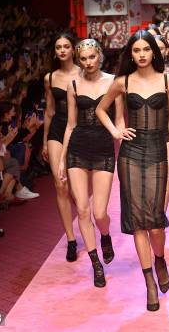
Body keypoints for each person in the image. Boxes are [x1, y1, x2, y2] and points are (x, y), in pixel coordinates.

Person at [96, 30, 169, 312]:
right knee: (137, 221)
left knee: (155, 221)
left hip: (158, 151)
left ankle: (160, 259)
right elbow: (100, 109)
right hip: (130, 154)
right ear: (130, 54)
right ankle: (149, 284)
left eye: (146, 49)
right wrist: (116, 131)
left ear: (154, 52)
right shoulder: (123, 82)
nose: (141, 54)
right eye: (136, 50)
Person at [58, 39, 121, 288]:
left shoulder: (113, 82)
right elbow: (70, 124)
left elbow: (119, 119)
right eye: (83, 59)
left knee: (100, 213)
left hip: (104, 148)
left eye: (92, 57)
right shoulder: (73, 84)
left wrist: (124, 142)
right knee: (82, 210)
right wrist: (62, 158)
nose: (88, 63)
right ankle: (96, 264)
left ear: (100, 56)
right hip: (77, 149)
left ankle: (105, 235)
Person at [42, 33, 81, 262]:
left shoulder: (83, 72)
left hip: (78, 130)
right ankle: (71, 239)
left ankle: (85, 219)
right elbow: (49, 110)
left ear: (73, 49)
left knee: (77, 190)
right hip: (57, 130)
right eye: (59, 47)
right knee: (60, 183)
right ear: (55, 51)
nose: (63, 50)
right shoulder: (50, 77)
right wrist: (45, 139)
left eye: (67, 46)